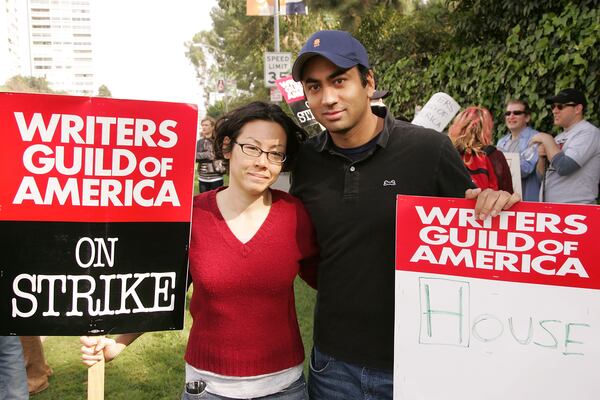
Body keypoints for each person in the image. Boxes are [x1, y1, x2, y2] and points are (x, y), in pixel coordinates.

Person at [289, 30, 520, 400]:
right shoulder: (306, 162)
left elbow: (474, 239)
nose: (328, 98)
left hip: (418, 363)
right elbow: (311, 253)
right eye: (314, 87)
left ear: (368, 82)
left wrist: (493, 204)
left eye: (339, 81)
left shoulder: (429, 149)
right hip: (333, 365)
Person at [81, 102, 318, 400]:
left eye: (275, 153)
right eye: (252, 148)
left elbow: (330, 279)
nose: (263, 161)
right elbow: (159, 291)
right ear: (228, 147)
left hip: (284, 388)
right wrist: (117, 343)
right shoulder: (191, 217)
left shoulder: (295, 215)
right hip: (207, 389)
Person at [530, 88, 600, 204]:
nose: (554, 111)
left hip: (578, 209)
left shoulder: (588, 132)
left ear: (578, 109)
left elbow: (564, 167)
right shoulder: (558, 137)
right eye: (553, 107)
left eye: (560, 106)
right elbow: (541, 178)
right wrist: (542, 158)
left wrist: (547, 140)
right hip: (554, 209)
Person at [448, 106, 513, 192]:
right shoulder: (495, 156)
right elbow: (507, 193)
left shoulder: (449, 154)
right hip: (486, 204)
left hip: (454, 205)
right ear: (487, 129)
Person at [496, 99, 541, 201]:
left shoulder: (535, 138)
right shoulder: (501, 141)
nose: (511, 116)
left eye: (517, 113)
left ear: (527, 117)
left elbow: (526, 169)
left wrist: (500, 161)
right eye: (508, 113)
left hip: (527, 201)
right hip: (505, 201)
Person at [196, 117, 225, 192]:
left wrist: (202, 155)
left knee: (215, 201)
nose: (203, 127)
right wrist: (208, 155)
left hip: (216, 177)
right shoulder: (199, 142)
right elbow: (195, 157)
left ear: (212, 127)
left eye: (206, 125)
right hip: (202, 177)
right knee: (203, 201)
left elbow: (218, 155)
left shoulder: (218, 141)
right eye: (202, 125)